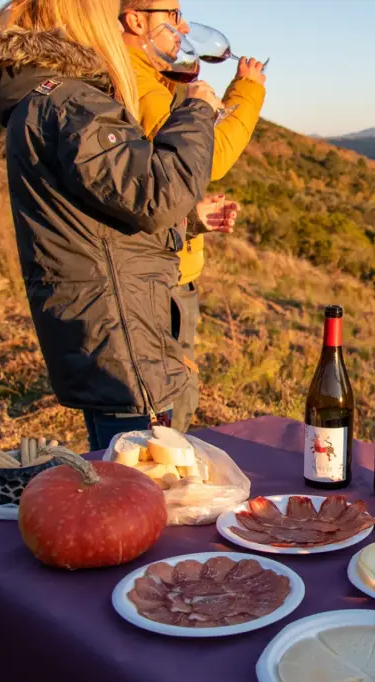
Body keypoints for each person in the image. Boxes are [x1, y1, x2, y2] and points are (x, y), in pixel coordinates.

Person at [0, 0, 222, 451]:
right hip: (123, 341)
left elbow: (96, 209)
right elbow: (155, 194)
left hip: (102, 328)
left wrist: (187, 220)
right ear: (92, 22)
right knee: (145, 493)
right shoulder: (70, 103)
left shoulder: (44, 99)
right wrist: (196, 112)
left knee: (118, 481)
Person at [119, 0, 267, 432]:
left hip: (164, 262)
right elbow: (210, 157)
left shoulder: (151, 79)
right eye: (171, 14)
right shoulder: (138, 84)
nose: (182, 27)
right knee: (164, 419)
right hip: (157, 280)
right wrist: (248, 91)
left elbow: (152, 179)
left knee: (167, 408)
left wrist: (189, 220)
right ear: (134, 19)